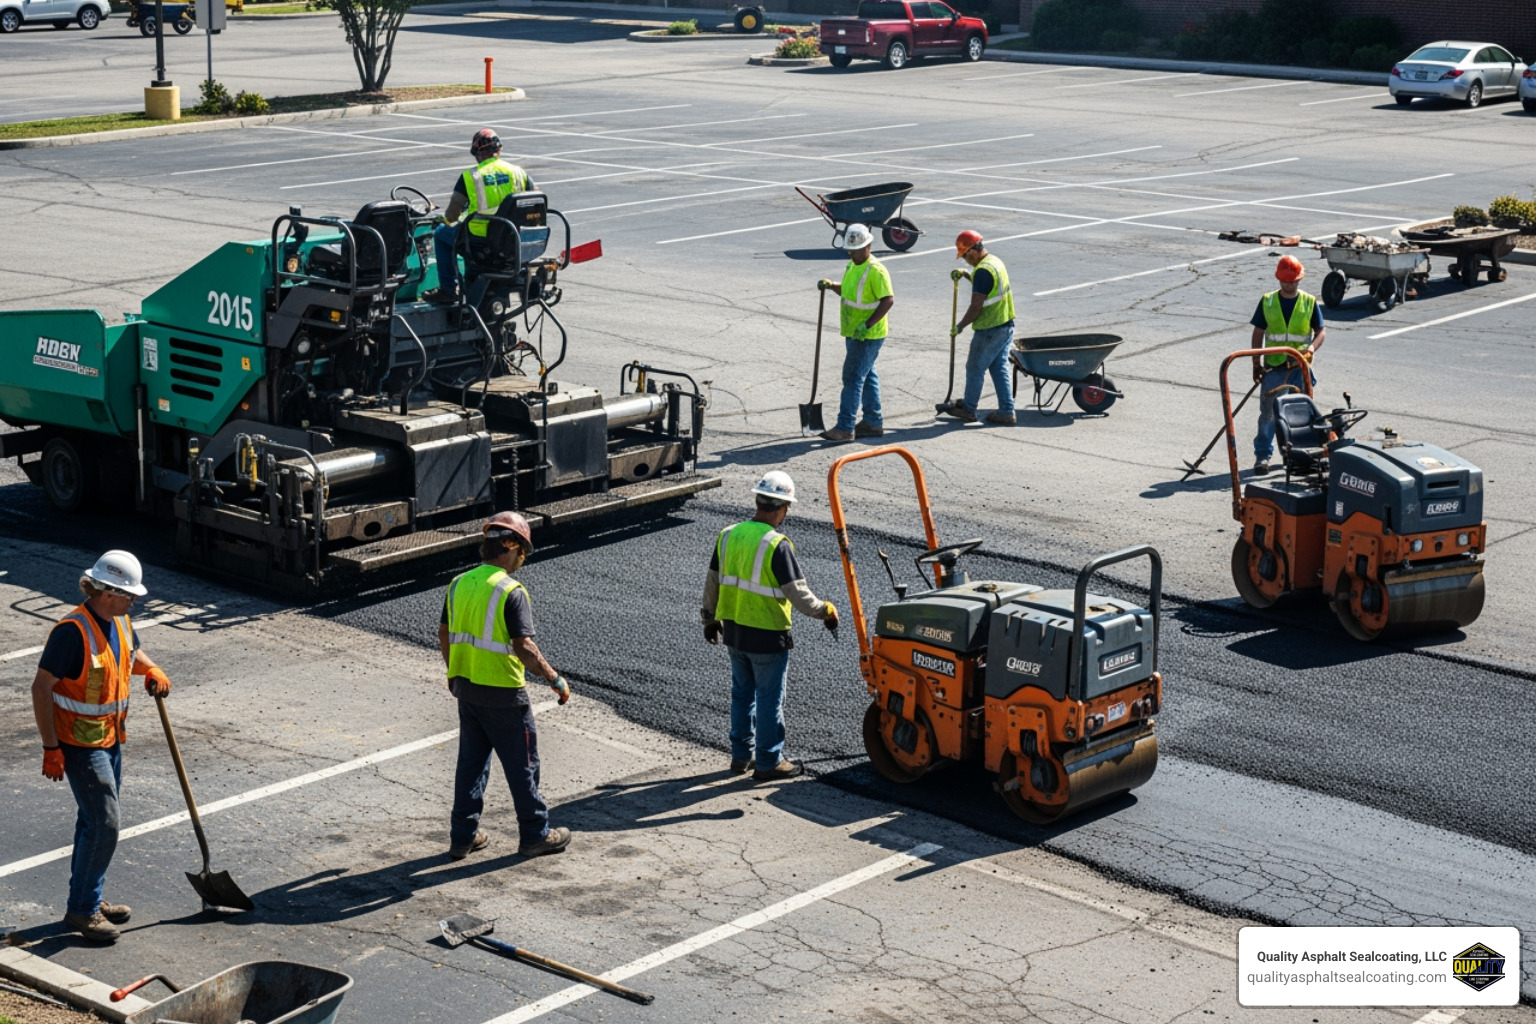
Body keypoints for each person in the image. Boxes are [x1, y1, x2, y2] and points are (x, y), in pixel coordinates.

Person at [30, 551, 171, 944]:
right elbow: (41, 688)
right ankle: (83, 909)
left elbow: (129, 653)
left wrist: (151, 668)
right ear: (108, 592)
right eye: (130, 594)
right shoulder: (71, 632)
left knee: (92, 823)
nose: (135, 600)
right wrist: (50, 748)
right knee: (105, 823)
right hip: (78, 745)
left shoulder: (119, 621)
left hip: (109, 739)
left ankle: (87, 896)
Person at [439, 511, 572, 860]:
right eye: (522, 552)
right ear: (511, 546)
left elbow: (444, 633)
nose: (522, 560)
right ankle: (535, 835)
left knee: (471, 766)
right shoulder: (510, 591)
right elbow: (524, 647)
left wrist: (453, 672)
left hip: (466, 688)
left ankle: (462, 837)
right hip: (503, 694)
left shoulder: (459, 583)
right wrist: (554, 678)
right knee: (523, 766)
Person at [701, 472, 838, 781]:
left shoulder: (728, 535)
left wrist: (709, 619)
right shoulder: (777, 544)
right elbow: (798, 595)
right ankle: (768, 762)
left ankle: (741, 757)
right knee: (769, 699)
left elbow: (712, 582)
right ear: (783, 508)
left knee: (742, 695)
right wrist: (826, 611)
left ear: (758, 501)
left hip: (734, 632)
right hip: (767, 636)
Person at [422, 129, 535, 305]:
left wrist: (442, 220)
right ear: (499, 148)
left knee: (441, 233)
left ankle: (448, 290)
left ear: (477, 153)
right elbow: (535, 200)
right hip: (512, 241)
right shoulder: (519, 172)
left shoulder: (471, 176)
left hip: (481, 240)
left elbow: (452, 215)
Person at [818, 223, 894, 442]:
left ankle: (845, 427)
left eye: (857, 250)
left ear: (868, 246)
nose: (852, 254)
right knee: (866, 375)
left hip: (868, 334)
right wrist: (832, 285)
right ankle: (873, 422)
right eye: (850, 250)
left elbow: (888, 300)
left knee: (852, 377)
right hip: (853, 331)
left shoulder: (876, 270)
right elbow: (849, 291)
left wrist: (867, 325)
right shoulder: (852, 265)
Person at [1250, 255, 1325, 475]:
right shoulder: (1268, 301)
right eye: (1285, 281)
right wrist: (1256, 363)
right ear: (1278, 279)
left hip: (1299, 368)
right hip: (1274, 367)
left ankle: (1295, 454)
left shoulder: (1309, 302)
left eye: (1292, 281)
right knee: (1268, 415)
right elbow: (1258, 332)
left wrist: (1311, 348)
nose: (1289, 285)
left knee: (1300, 414)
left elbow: (1321, 331)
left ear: (1299, 280)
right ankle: (1262, 456)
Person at [939, 230, 1016, 426]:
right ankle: (1007, 411)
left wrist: (960, 326)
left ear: (973, 251)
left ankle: (969, 409)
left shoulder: (982, 271)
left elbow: (976, 306)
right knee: (998, 368)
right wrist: (966, 275)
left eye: (965, 256)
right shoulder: (994, 262)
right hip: (1005, 324)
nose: (965, 260)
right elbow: (988, 287)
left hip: (990, 328)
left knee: (975, 368)